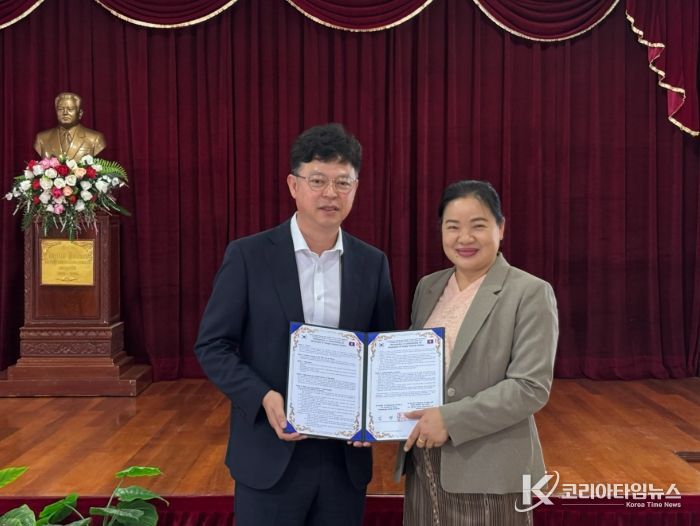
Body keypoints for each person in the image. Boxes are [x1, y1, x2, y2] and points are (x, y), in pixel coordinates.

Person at [195, 123, 395, 526]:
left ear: (356, 188)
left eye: (343, 182)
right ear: (293, 185)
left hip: (344, 462)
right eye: (317, 180)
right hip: (268, 456)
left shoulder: (372, 263)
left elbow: (381, 352)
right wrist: (263, 397)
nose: (330, 193)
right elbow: (213, 345)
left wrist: (374, 412)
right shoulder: (249, 256)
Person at [395, 180, 558, 525]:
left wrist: (450, 420)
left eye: (478, 226)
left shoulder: (529, 292)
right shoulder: (429, 287)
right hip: (424, 462)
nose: (464, 238)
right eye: (452, 226)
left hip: (488, 469)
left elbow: (530, 387)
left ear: (501, 228)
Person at [34, 92, 106, 160]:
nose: (65, 113)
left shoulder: (95, 138)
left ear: (80, 113)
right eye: (60, 109)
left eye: (70, 109)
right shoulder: (42, 138)